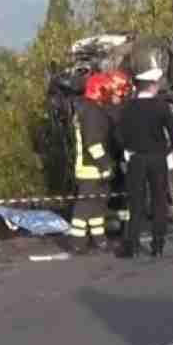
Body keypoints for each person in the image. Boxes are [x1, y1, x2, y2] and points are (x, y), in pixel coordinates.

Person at [115, 67, 173, 258]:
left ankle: (133, 245)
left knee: (135, 202)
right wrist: (170, 149)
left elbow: (117, 135)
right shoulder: (161, 106)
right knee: (159, 202)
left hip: (135, 158)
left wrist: (127, 148)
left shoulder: (127, 107)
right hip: (158, 158)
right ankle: (158, 245)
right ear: (153, 86)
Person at [66, 73, 116, 254]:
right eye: (107, 90)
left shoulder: (88, 108)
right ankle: (77, 242)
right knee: (85, 207)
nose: (110, 94)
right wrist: (105, 164)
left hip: (91, 167)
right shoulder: (92, 112)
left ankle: (99, 239)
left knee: (97, 206)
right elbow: (93, 143)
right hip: (91, 168)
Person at [103, 70, 132, 239]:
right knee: (113, 195)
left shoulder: (123, 109)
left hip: (120, 158)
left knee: (123, 197)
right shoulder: (109, 108)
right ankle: (118, 226)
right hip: (111, 158)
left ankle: (124, 227)